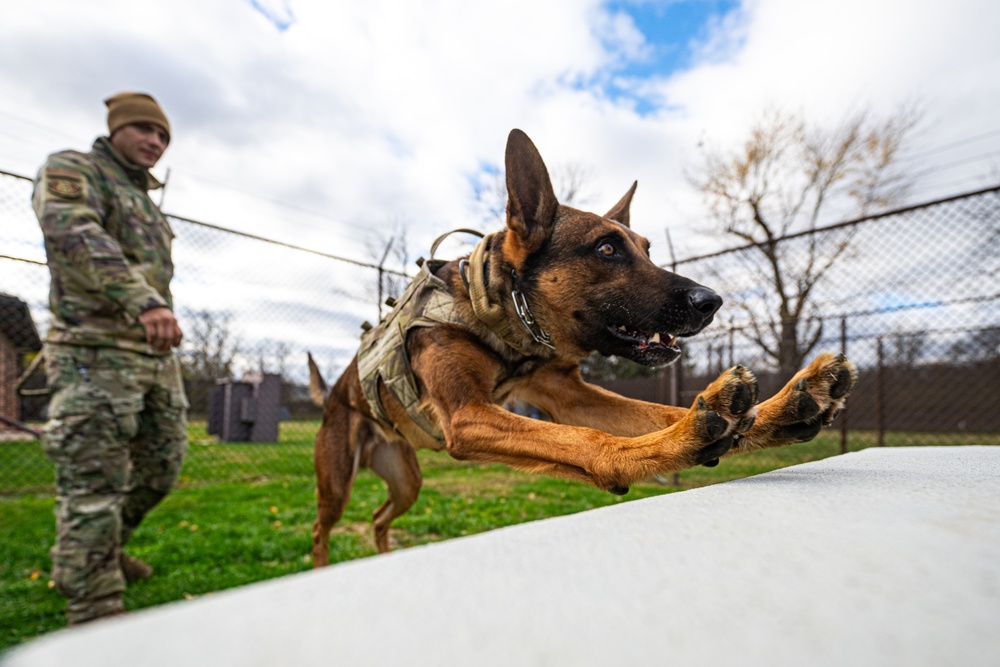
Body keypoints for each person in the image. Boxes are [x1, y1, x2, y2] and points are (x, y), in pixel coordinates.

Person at [32, 92, 188, 626]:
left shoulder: (144, 201)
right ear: (116, 129)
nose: (154, 142)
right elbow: (73, 234)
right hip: (93, 350)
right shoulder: (73, 169)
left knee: (162, 466)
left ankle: (96, 553)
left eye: (163, 136)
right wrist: (144, 302)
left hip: (151, 355)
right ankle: (93, 602)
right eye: (144, 129)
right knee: (93, 478)